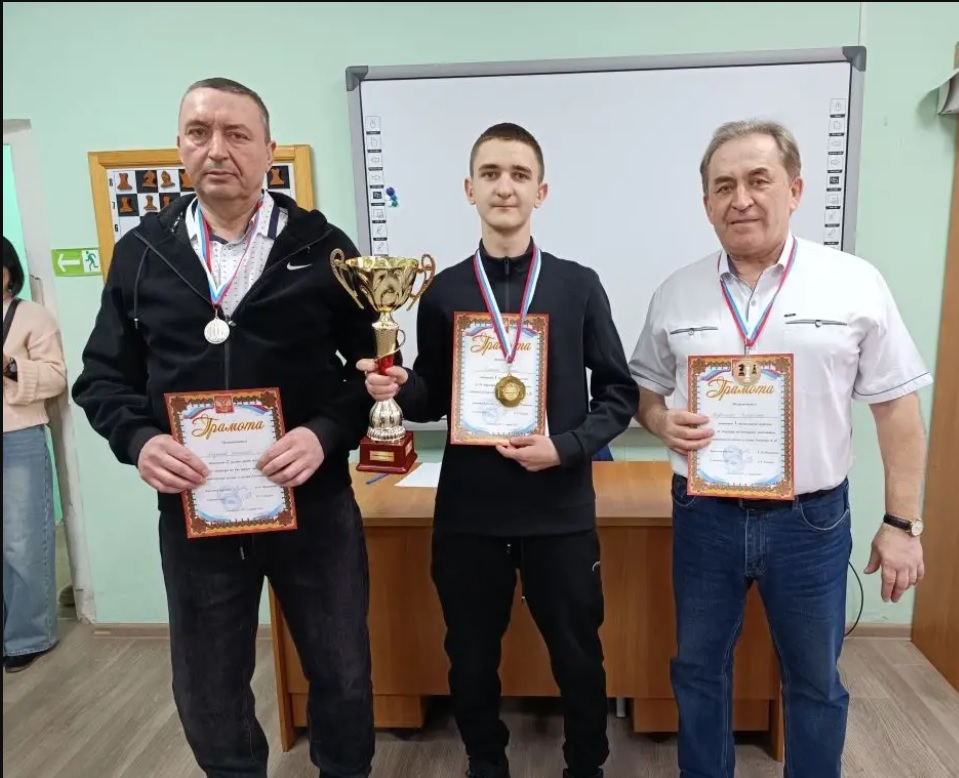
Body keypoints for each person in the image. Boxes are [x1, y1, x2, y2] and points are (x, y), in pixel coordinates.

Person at [71, 78, 379, 778]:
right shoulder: (142, 252)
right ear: (179, 146)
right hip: (197, 509)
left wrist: (324, 433)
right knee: (207, 689)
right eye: (199, 132)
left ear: (268, 149)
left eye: (237, 134)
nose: (217, 149)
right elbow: (101, 379)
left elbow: (374, 370)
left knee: (342, 674)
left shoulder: (324, 247)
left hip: (314, 505)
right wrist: (140, 442)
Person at [629, 119, 930, 778]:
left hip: (809, 520)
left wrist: (902, 523)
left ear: (794, 190)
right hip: (704, 515)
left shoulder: (853, 282)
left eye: (758, 180)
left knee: (815, 679)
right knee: (697, 669)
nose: (740, 199)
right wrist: (658, 421)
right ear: (706, 203)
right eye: (723, 186)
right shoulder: (675, 292)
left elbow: (897, 409)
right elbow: (645, 393)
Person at [358, 122, 639, 778]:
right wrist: (397, 384)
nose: (504, 187)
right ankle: (485, 763)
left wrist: (566, 448)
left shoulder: (578, 285)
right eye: (490, 174)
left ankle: (586, 767)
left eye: (518, 174)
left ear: (541, 191)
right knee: (470, 657)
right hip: (470, 513)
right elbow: (432, 396)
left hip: (558, 509)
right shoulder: (444, 291)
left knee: (578, 655)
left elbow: (618, 393)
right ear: (469, 189)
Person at [3, 236, 68, 673]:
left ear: (9, 271)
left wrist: (9, 366)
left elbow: (56, 377)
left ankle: (28, 636)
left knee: (21, 540)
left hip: (17, 436)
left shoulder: (30, 316)